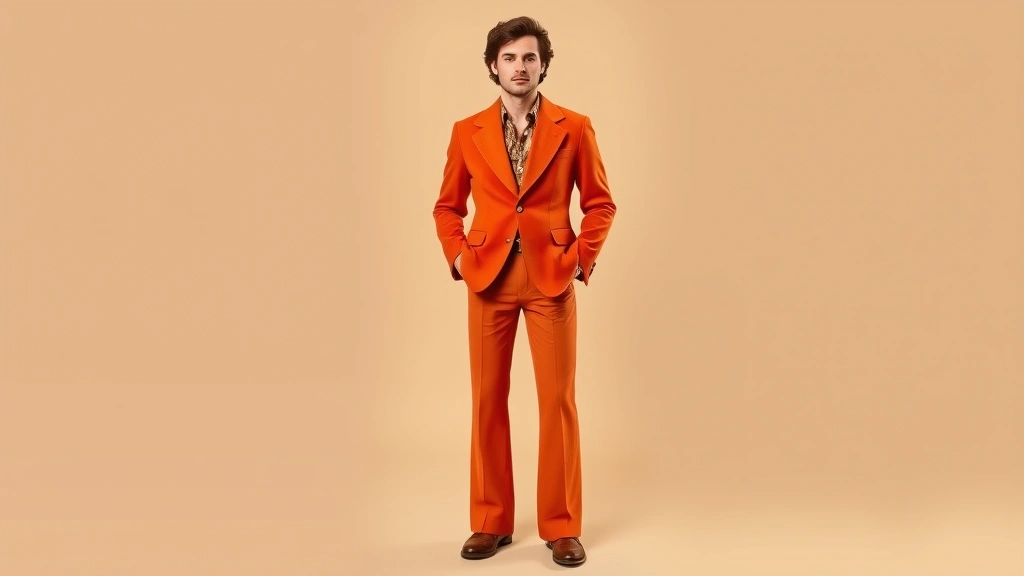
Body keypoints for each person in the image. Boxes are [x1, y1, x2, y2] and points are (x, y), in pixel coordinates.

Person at [431, 15, 617, 568]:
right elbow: (446, 206)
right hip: (487, 279)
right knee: (487, 402)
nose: (520, 67)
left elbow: (601, 203)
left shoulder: (574, 126)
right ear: (494, 66)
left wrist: (581, 256)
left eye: (530, 58)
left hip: (551, 278)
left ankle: (561, 526)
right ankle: (490, 522)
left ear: (543, 65)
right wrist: (460, 255)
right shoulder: (468, 130)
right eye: (509, 58)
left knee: (556, 404)